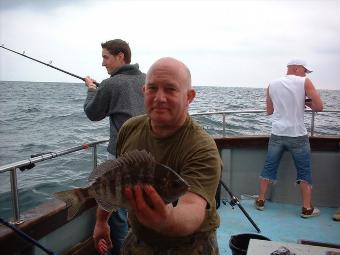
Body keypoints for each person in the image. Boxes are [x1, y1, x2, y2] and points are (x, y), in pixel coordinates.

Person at [92, 57, 222, 254]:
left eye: (170, 89)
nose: (159, 98)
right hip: (139, 235)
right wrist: (101, 221)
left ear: (189, 97)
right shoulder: (129, 128)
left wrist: (166, 219)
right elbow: (117, 180)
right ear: (144, 92)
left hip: (190, 244)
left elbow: (193, 207)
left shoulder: (202, 148)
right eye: (152, 88)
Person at [83, 39, 145, 255]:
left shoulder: (110, 83)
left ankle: (119, 250)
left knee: (116, 212)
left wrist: (92, 89)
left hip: (122, 159)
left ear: (121, 57)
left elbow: (93, 113)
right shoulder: (146, 79)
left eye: (105, 57)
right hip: (147, 159)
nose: (102, 63)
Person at [255, 59, 323, 218]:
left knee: (269, 166)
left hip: (277, 133)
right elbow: (319, 107)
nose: (306, 73)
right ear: (297, 68)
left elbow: (269, 111)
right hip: (297, 134)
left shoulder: (272, 84)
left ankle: (260, 200)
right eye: (305, 70)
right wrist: (305, 102)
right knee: (304, 170)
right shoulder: (304, 81)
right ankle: (307, 209)